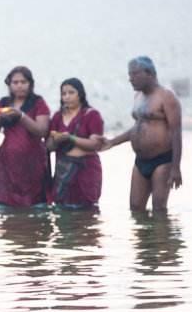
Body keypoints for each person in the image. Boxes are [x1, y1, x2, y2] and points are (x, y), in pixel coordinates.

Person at [102, 57, 183, 212]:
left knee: (159, 209)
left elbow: (176, 132)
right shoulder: (138, 97)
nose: (130, 79)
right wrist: (112, 142)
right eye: (129, 74)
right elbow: (137, 128)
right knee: (135, 208)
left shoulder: (166, 97)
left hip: (162, 160)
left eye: (134, 74)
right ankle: (144, 237)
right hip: (141, 161)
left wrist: (176, 167)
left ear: (150, 73)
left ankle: (161, 237)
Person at [0, 66, 51, 207]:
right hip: (6, 163)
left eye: (23, 82)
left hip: (32, 162)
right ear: (9, 85)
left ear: (30, 84)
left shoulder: (38, 103)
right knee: (4, 206)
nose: (19, 86)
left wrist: (21, 116)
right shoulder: (4, 103)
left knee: (34, 206)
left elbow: (42, 131)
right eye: (15, 82)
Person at [46, 78, 104, 208]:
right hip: (63, 170)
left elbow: (96, 144)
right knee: (62, 211)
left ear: (80, 94)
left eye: (71, 93)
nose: (67, 97)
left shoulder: (91, 115)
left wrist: (71, 138)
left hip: (86, 170)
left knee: (87, 211)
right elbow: (49, 145)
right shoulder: (57, 117)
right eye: (64, 94)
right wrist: (57, 140)